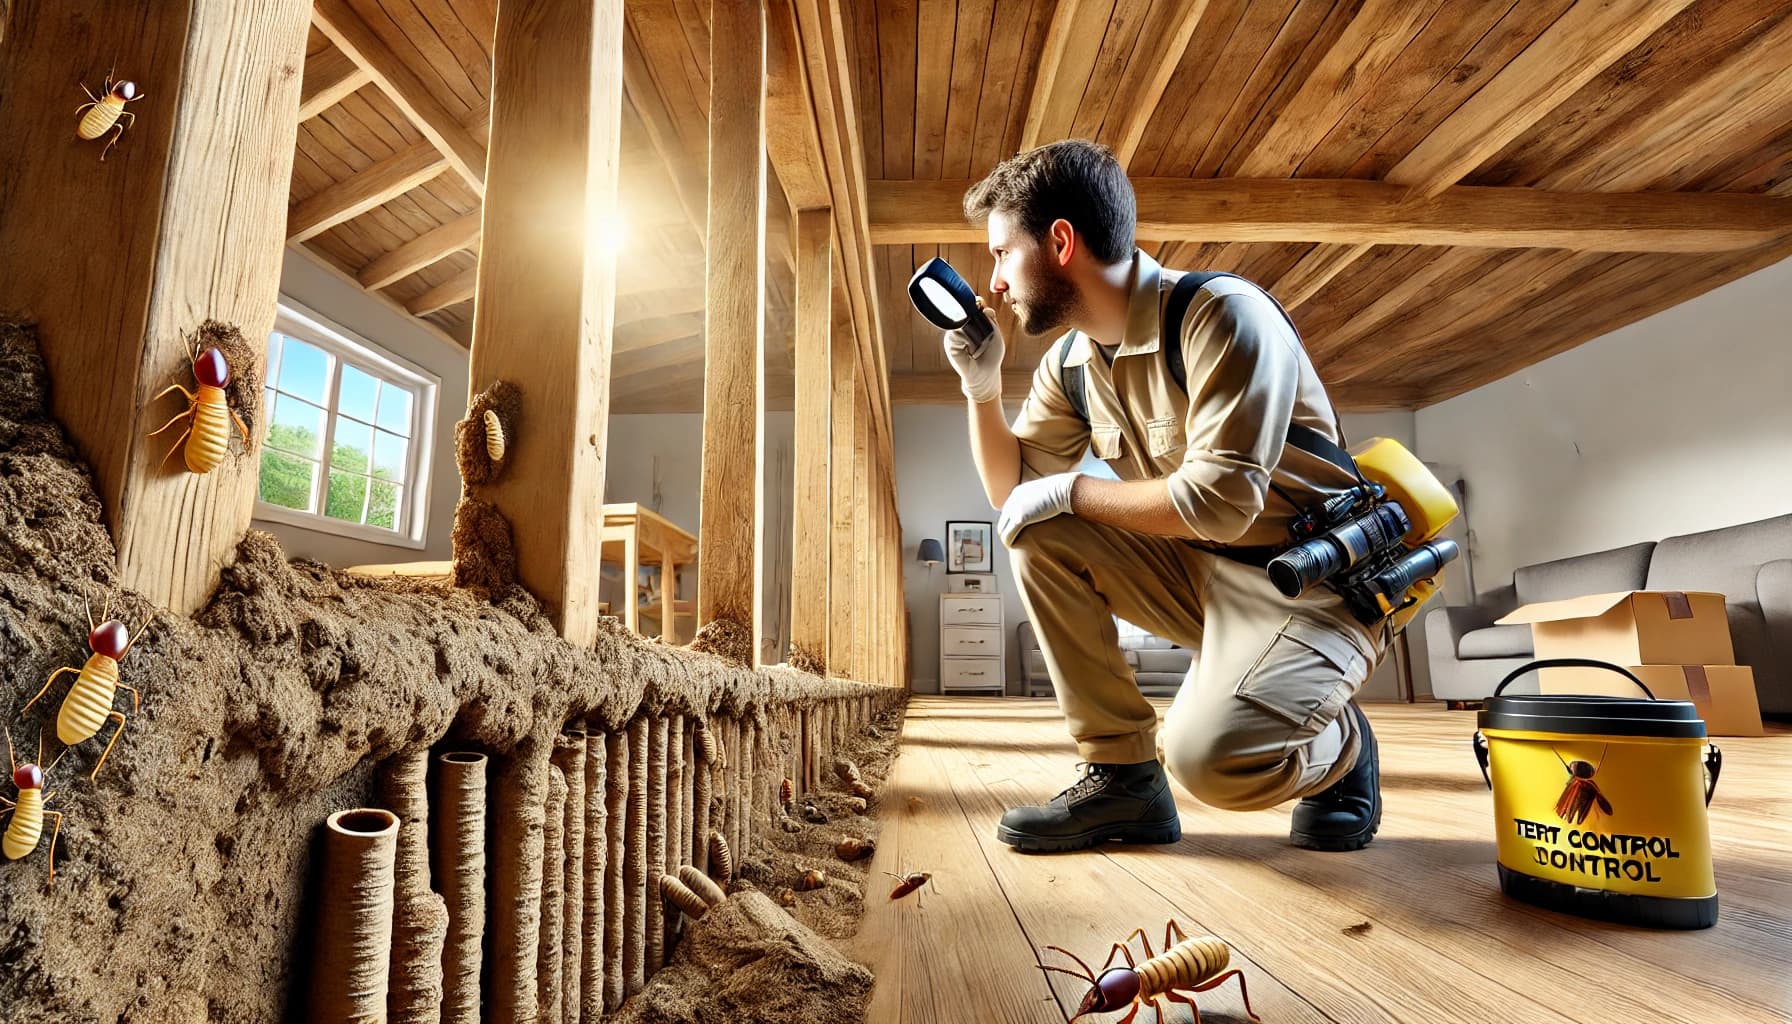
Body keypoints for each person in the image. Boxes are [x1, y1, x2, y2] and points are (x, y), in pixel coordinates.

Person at [944, 140, 1392, 853]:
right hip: (1204, 574)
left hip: (1315, 585)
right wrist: (982, 388)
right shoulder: (1073, 363)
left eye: (1001, 254)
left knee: (1208, 760)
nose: (994, 283)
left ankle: (1338, 747)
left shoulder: (1223, 317)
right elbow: (1014, 494)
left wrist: (1076, 489)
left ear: (1061, 241)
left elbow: (1220, 502)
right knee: (1036, 531)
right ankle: (1123, 779)